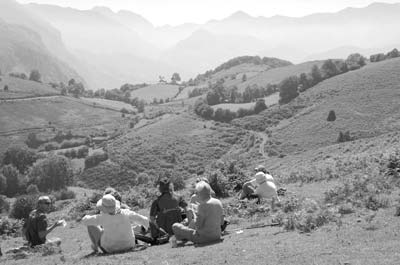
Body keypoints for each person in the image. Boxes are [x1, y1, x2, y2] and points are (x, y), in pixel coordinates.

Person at [81, 194, 149, 254]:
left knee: (90, 225)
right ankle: (95, 246)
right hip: (129, 245)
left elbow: (84, 221)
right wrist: (147, 228)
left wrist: (91, 214)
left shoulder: (102, 217)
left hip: (110, 249)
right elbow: (144, 219)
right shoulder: (126, 213)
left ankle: (95, 247)